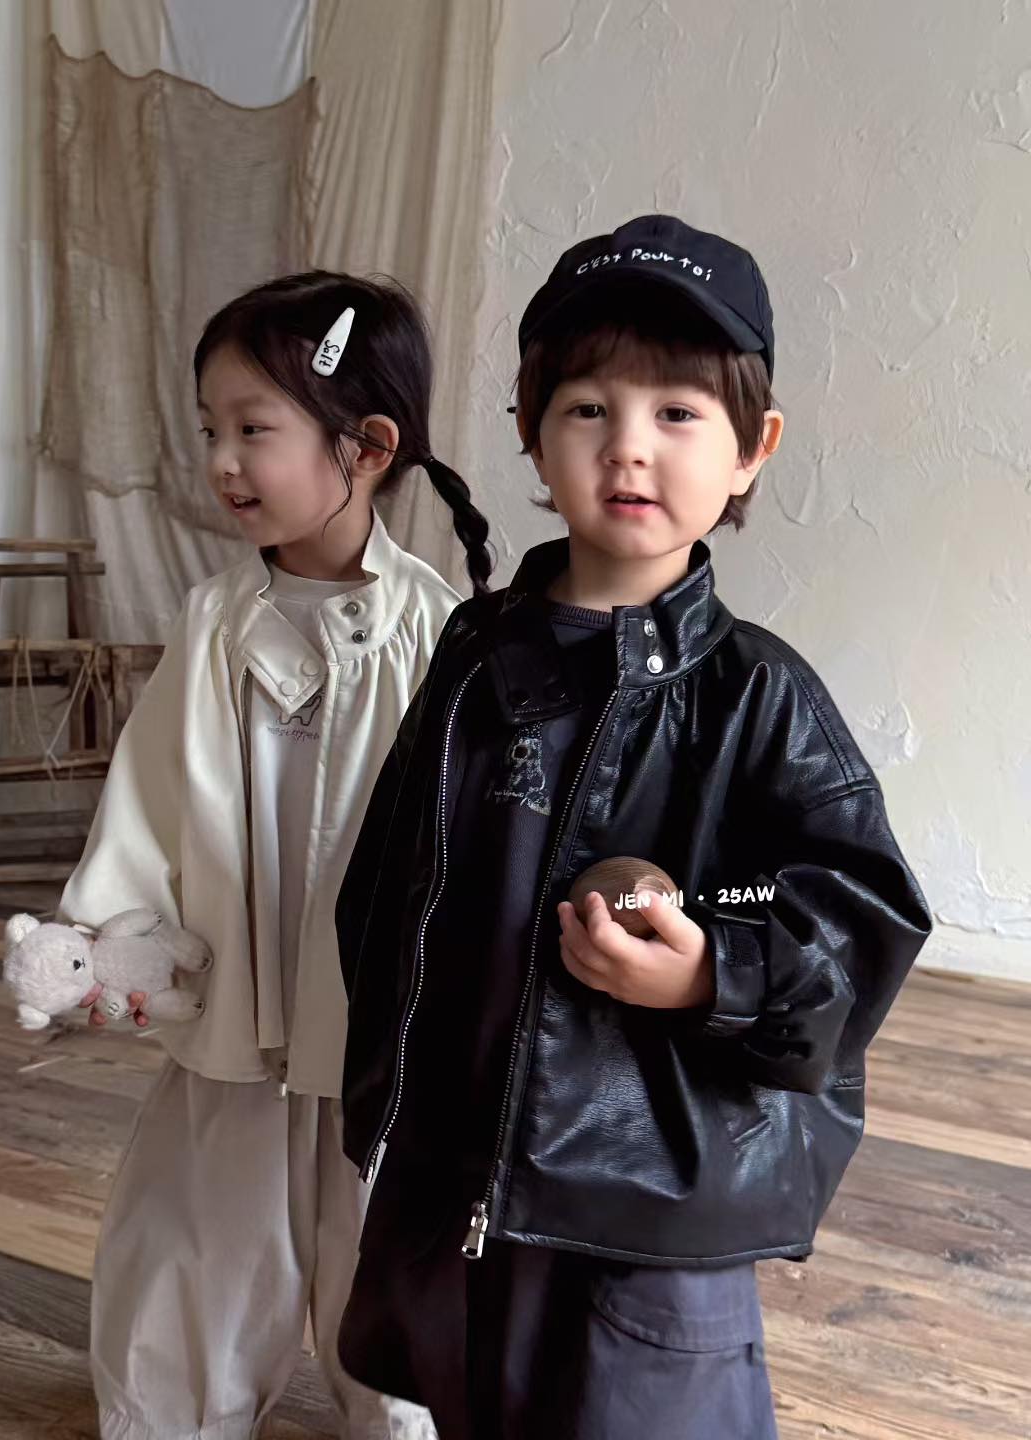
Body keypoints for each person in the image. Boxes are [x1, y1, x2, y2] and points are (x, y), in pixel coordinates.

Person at [333, 215, 933, 1440]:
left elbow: (854, 921)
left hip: (658, 1205)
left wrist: (713, 970)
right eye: (588, 408)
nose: (630, 447)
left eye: (677, 413)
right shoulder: (477, 654)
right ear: (530, 429)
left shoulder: (760, 697)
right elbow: (392, 879)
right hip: (469, 1175)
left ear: (753, 450)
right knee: (482, 1400)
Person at [60, 270, 493, 1440]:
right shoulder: (216, 620)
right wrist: (117, 931)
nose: (221, 461)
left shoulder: (438, 632)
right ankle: (174, 1411)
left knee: (384, 1212)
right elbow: (154, 787)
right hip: (235, 996)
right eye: (211, 429)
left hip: (379, 1018)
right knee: (207, 1217)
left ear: (369, 447)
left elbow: (472, 827)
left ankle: (398, 1411)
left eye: (254, 429)